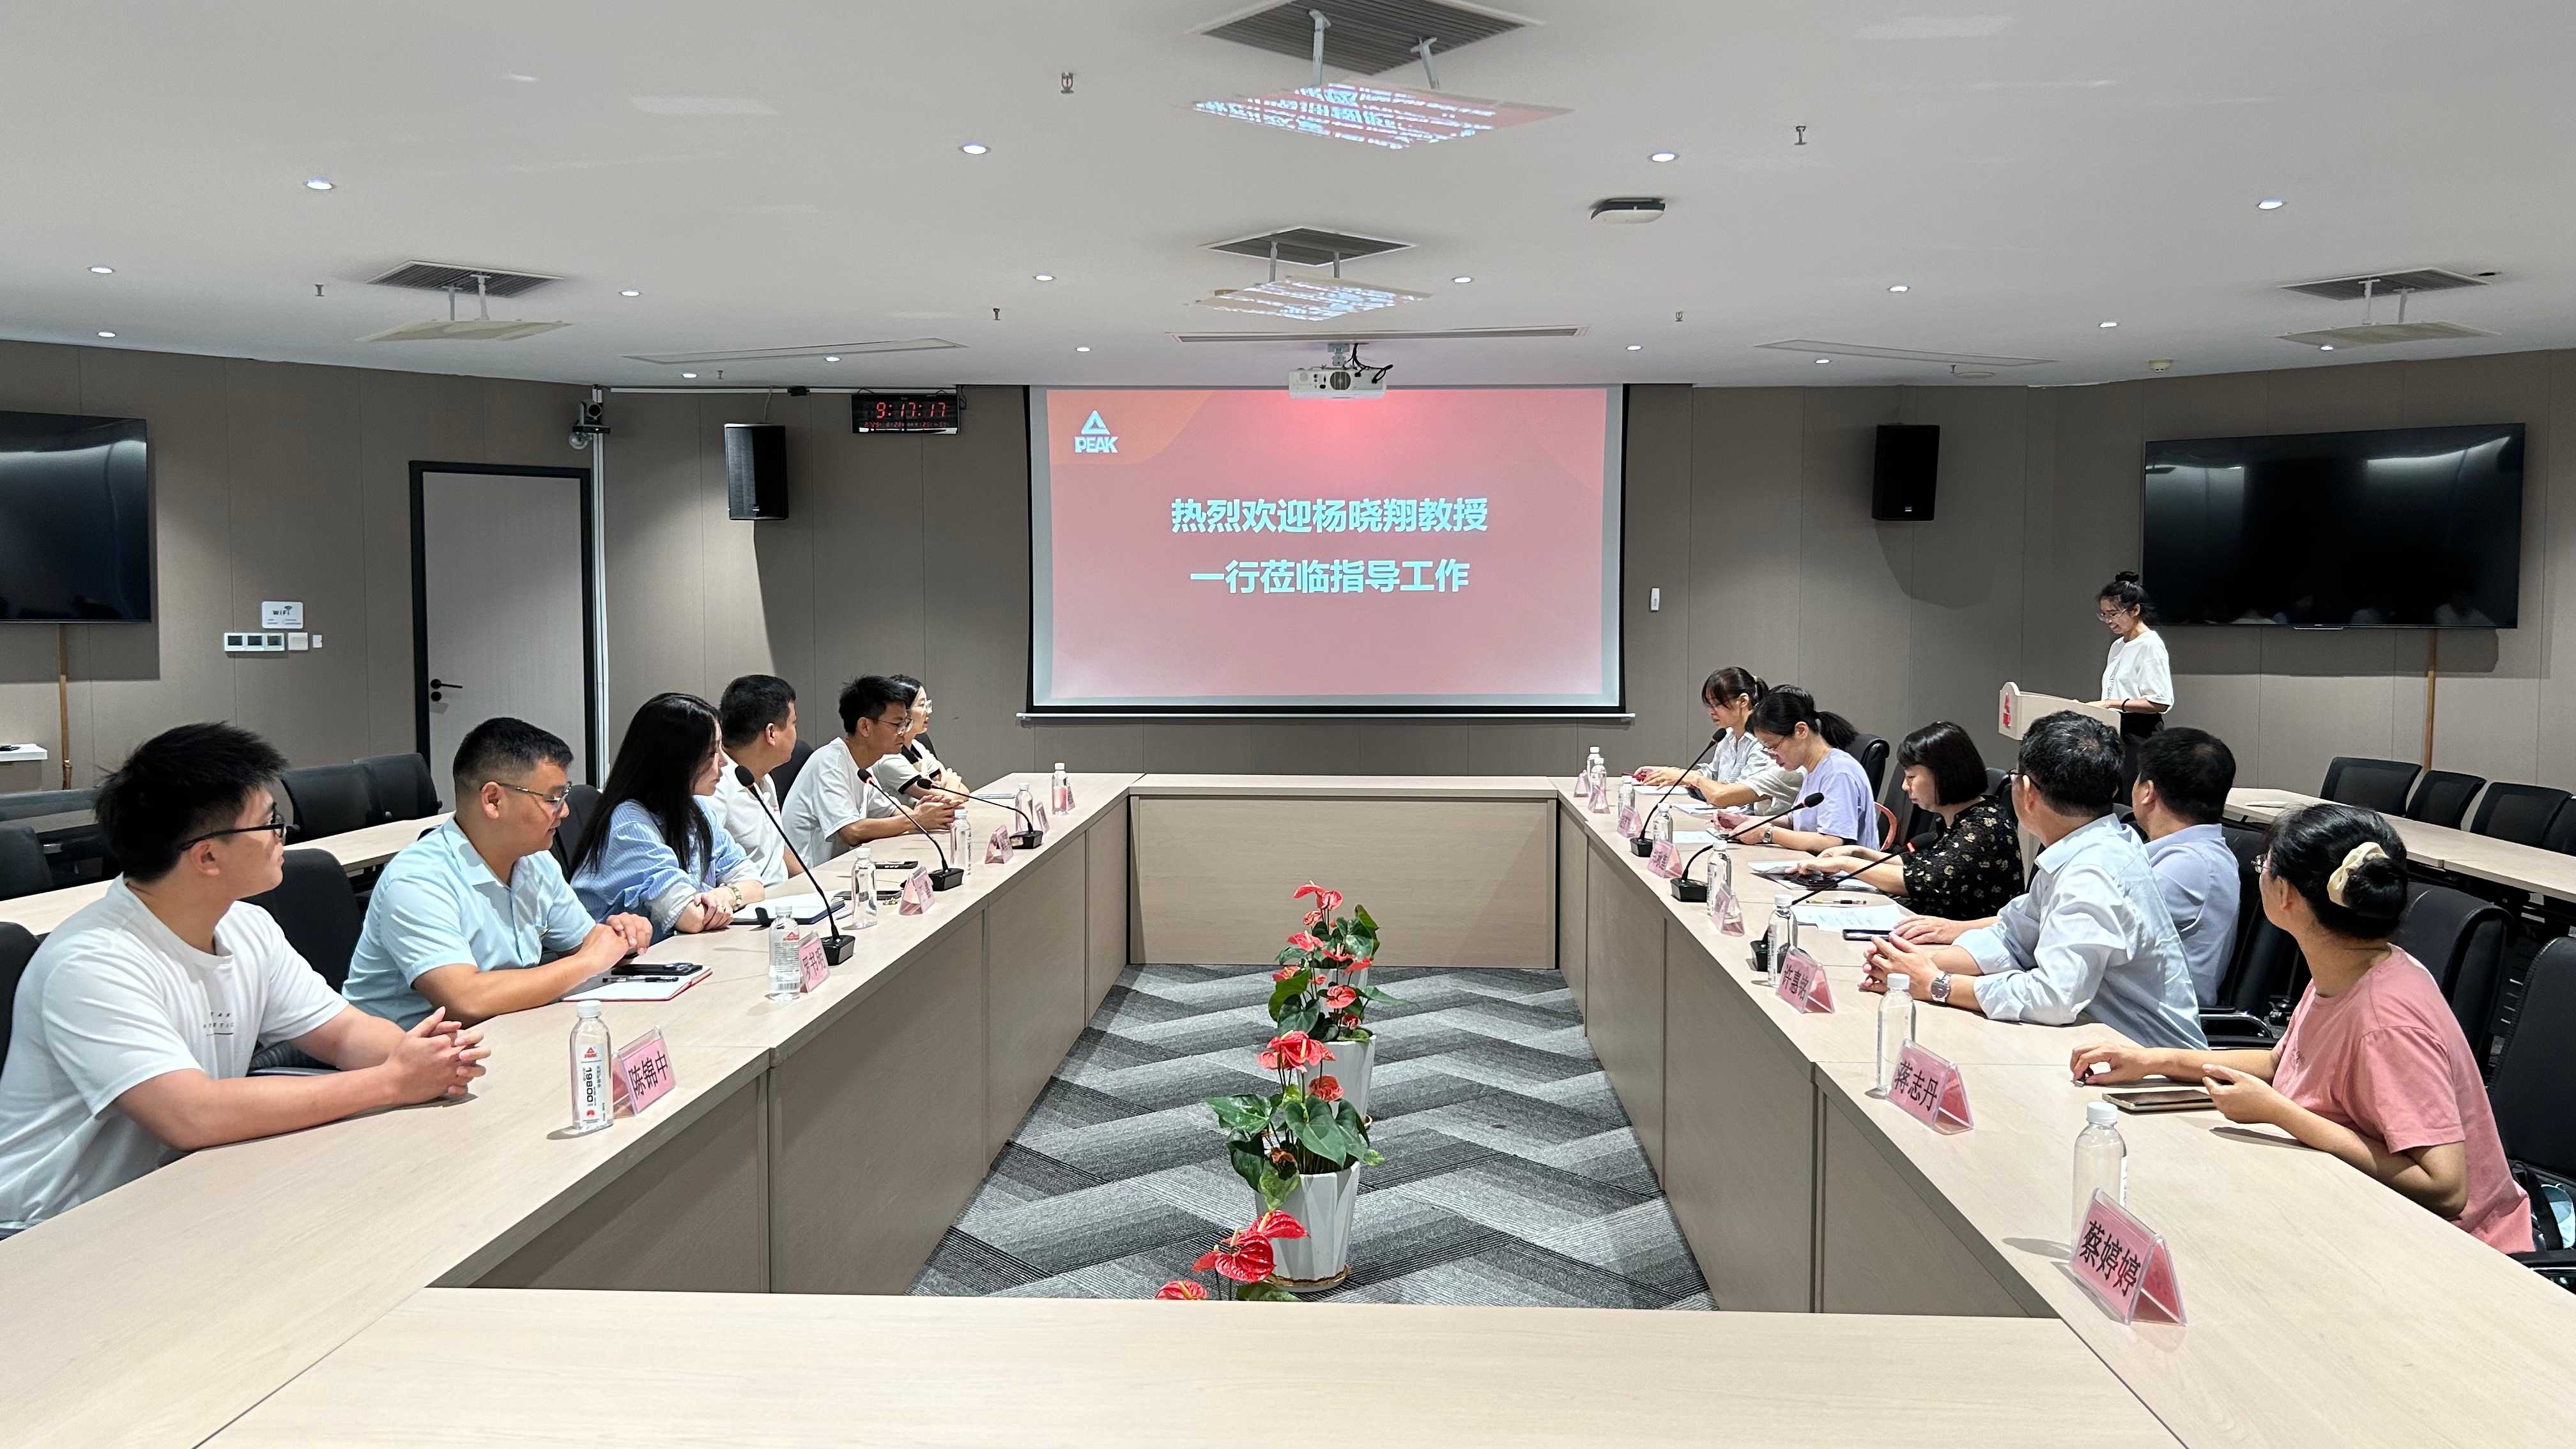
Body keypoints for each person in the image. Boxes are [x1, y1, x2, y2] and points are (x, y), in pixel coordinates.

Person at [0, 724, 487, 1232]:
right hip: (52, 1227)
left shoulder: (245, 924)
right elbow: (191, 1115)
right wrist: (390, 1082)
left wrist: (427, 1058)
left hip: (173, 1192)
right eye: (269, 822)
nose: (283, 834)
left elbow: (342, 1032)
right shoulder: (93, 963)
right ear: (207, 856)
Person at [2071, 805, 2532, 1254]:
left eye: (2264, 866)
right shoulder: (2348, 961)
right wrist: (2154, 1060)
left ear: (2287, 894)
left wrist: (2279, 1113)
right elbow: (2283, 1063)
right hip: (2350, 1205)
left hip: (2452, 1252)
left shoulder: (2387, 1020)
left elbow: (2446, 1188)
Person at [1861, 712, 2207, 1050]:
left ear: (2026, 791)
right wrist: (1912, 964)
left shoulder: (2093, 871)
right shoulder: (2084, 846)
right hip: (2095, 1042)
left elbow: (2053, 997)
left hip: (2150, 1061)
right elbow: (2012, 936)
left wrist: (1938, 984)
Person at [342, 717, 651, 1029]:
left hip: (502, 1033)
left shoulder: (535, 862)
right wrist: (588, 962)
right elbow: (466, 1001)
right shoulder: (418, 881)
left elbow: (585, 945)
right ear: (493, 800)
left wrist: (619, 939)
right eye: (553, 799)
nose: (566, 811)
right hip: (403, 1052)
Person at [567, 693, 768, 939]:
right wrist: (722, 900)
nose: (724, 762)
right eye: (712, 752)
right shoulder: (629, 824)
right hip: (624, 960)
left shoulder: (697, 809)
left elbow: (754, 884)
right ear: (677, 761)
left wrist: (725, 895)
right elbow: (691, 918)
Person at [1810, 722, 2020, 919]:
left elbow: (1922, 880)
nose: (1904, 786)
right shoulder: (1958, 820)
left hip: (1962, 939)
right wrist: (1859, 853)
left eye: (1911, 777)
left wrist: (1846, 864)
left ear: (1943, 775)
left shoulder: (1983, 828)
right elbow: (1920, 864)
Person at [778, 675, 957, 869]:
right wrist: (916, 819)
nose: (904, 732)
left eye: (905, 724)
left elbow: (891, 811)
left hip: (843, 868)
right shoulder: (829, 763)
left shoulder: (864, 765)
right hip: (809, 877)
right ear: (865, 726)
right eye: (898, 725)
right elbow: (852, 832)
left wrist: (925, 813)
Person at [2132, 727, 2241, 1006]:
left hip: (2149, 1020)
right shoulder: (2182, 854)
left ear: (2147, 792)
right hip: (2127, 1004)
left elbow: (2095, 931)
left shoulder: (2189, 866)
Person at [1636, 667, 1804, 815]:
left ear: (1743, 701)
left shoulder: (1763, 743)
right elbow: (1713, 775)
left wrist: (1686, 777)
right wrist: (1670, 773)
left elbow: (1737, 796)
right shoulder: (1727, 735)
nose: (1711, 712)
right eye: (1709, 705)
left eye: (1716, 705)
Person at [1733, 687, 1880, 852]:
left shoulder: (1838, 772)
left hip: (1840, 868)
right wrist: (1746, 821)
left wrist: (1767, 833)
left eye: (1773, 747)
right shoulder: (1813, 768)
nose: (1772, 756)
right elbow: (1795, 822)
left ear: (1801, 731)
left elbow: (1831, 842)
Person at [711, 674, 808, 887]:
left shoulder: (763, 777)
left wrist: (814, 883)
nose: (796, 733)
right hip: (749, 903)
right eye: (793, 723)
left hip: (785, 897)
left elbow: (776, 849)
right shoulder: (714, 787)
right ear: (771, 733)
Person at [2092, 571, 2174, 790]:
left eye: (2114, 614)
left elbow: (2161, 702)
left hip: (2140, 735)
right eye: (2104, 615)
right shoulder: (2118, 645)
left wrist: (2111, 704)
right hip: (2115, 731)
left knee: (2134, 797)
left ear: (2135, 610)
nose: (2109, 621)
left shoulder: (2150, 645)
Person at [871, 673, 964, 803]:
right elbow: (949, 800)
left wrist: (949, 788)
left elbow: (965, 792)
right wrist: (951, 781)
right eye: (922, 705)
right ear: (904, 711)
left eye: (928, 704)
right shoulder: (889, 758)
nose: (929, 711)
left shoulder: (918, 746)